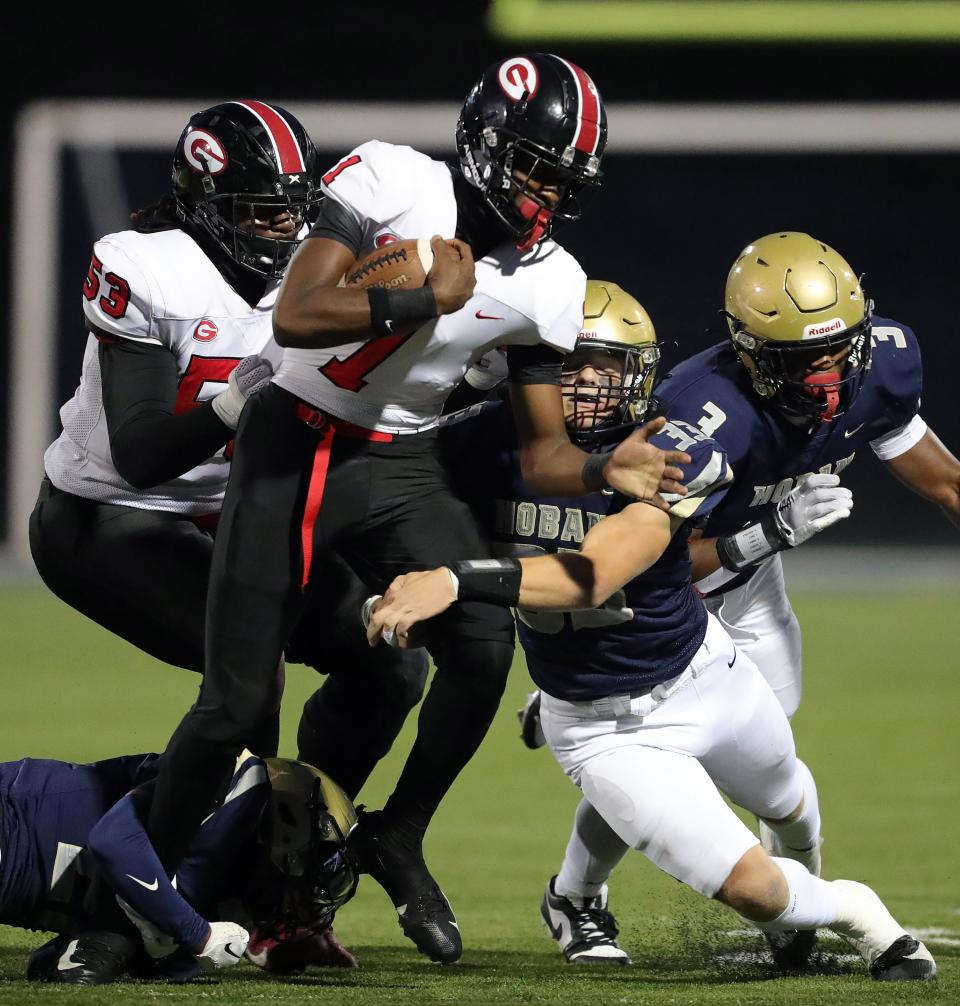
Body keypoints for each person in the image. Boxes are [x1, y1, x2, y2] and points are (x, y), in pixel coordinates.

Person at [143, 54, 691, 967]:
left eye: (564, 180)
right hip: (298, 439)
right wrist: (420, 297)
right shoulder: (394, 178)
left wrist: (608, 465)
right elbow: (299, 317)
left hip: (401, 459)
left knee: (482, 643)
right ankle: (142, 891)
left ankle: (397, 833)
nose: (547, 196)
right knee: (238, 700)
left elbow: (547, 454)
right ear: (485, 143)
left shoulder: (554, 279)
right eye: (535, 169)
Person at [365, 279, 936, 983]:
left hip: (704, 669)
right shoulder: (485, 441)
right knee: (759, 891)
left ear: (643, 378)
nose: (587, 386)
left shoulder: (671, 443)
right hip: (602, 725)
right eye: (567, 366)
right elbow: (381, 490)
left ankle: (793, 922)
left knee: (793, 803)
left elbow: (596, 574)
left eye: (608, 368)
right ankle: (855, 911)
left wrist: (453, 580)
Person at [519, 232, 960, 970]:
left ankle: (788, 909)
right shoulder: (700, 413)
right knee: (649, 747)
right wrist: (770, 532)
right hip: (670, 585)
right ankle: (576, 892)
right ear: (752, 351)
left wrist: (763, 545)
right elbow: (650, 558)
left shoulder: (883, 363)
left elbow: (946, 481)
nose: (824, 376)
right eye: (798, 360)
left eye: (836, 352)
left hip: (748, 591)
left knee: (753, 762)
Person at [28, 100, 428, 799]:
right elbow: (143, 454)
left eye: (292, 209)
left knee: (392, 654)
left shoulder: (329, 268)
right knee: (250, 670)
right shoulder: (150, 269)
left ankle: (303, 840)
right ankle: (199, 864)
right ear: (203, 200)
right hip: (112, 514)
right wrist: (244, 395)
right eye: (258, 209)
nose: (282, 227)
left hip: (243, 510)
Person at [0, 750, 359, 985]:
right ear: (285, 824)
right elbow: (114, 841)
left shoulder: (221, 889)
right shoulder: (225, 784)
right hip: (11, 819)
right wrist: (198, 934)